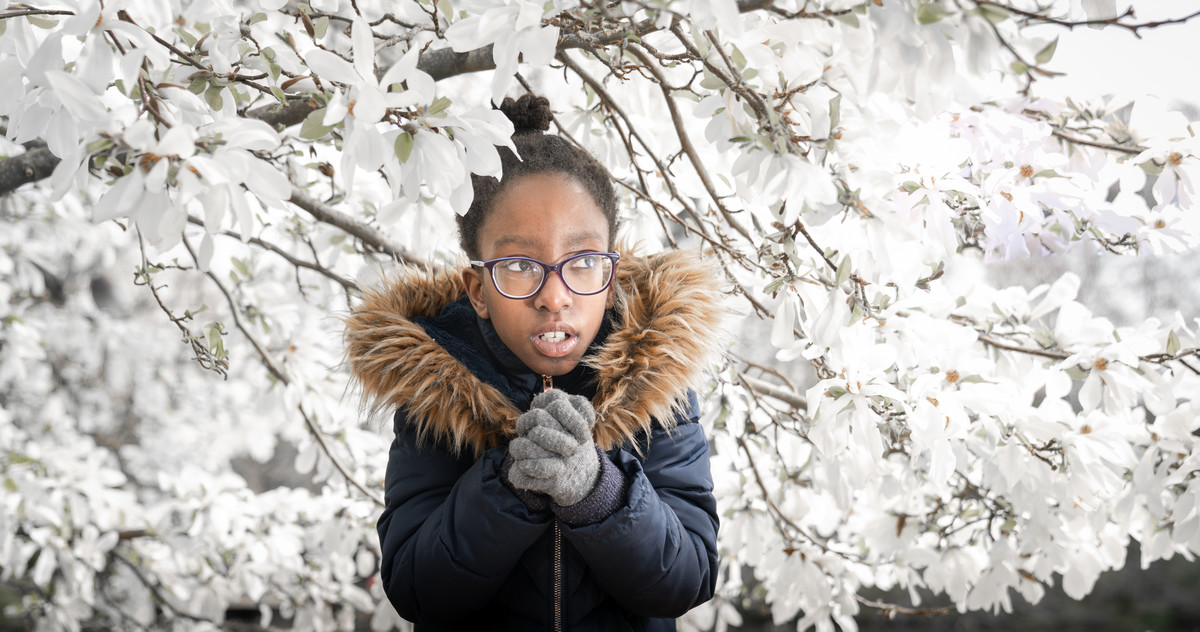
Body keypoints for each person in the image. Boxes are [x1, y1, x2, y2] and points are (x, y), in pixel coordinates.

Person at [344, 93, 726, 631]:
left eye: (585, 261)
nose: (554, 296)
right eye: (521, 265)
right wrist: (509, 486)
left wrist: (598, 492)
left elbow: (687, 578)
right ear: (477, 289)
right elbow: (415, 587)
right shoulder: (434, 392)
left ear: (609, 278)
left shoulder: (658, 388)